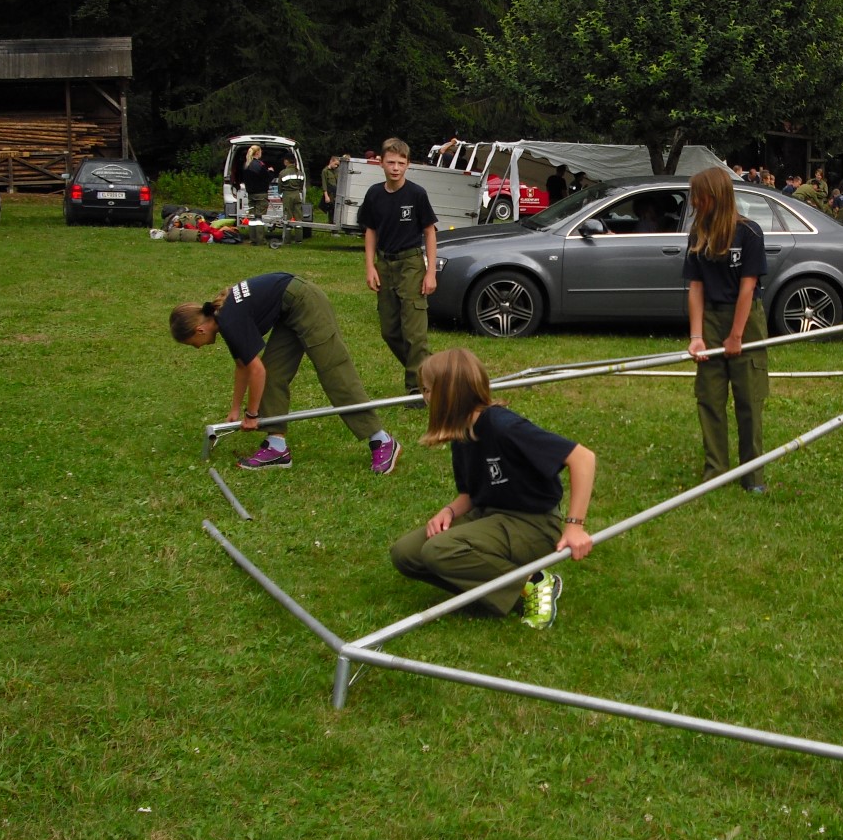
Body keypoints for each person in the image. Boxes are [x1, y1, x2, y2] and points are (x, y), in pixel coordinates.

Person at [390, 348, 595, 630]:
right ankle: (497, 593)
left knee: (440, 550)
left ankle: (534, 582)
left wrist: (575, 526)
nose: (423, 397)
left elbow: (582, 458)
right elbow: (472, 493)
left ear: (448, 393)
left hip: (533, 524)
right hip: (490, 515)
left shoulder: (503, 425)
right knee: (406, 554)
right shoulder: (461, 430)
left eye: (426, 390)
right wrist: (449, 511)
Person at [170, 273, 401, 473]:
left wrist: (251, 415)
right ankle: (276, 448)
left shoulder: (229, 320)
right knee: (273, 374)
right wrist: (234, 410)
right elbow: (243, 365)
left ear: (199, 330)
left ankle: (381, 440)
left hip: (305, 301)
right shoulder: (224, 317)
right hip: (289, 310)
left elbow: (255, 370)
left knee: (334, 372)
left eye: (193, 343)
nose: (197, 347)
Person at [684, 166, 770, 494]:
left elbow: (748, 288)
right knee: (709, 397)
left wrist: (736, 336)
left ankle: (753, 476)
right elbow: (695, 288)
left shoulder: (749, 233)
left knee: (749, 399)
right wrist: (696, 336)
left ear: (713, 196)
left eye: (697, 196)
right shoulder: (698, 235)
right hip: (710, 316)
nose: (693, 202)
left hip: (745, 319)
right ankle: (716, 471)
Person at [360, 137, 437, 394]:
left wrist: (430, 272)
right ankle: (431, 371)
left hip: (412, 264)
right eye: (390, 162)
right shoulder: (374, 194)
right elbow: (370, 230)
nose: (395, 167)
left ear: (408, 165)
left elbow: (429, 232)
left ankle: (418, 389)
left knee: (414, 333)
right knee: (390, 330)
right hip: (385, 264)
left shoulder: (416, 194)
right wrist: (370, 266)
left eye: (401, 163)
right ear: (381, 163)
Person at [240, 145, 275, 219]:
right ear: (257, 153)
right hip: (261, 195)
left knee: (252, 216)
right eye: (260, 151)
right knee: (259, 217)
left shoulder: (246, 165)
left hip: (251, 194)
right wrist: (271, 172)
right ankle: (259, 230)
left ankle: (252, 230)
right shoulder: (260, 165)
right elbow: (267, 178)